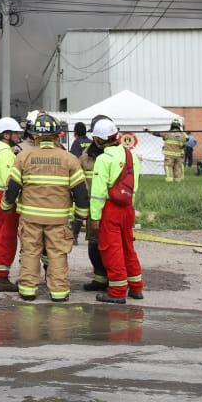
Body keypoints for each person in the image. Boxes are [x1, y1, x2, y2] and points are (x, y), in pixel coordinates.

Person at [2, 113, 89, 302]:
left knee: (30, 252)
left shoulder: (24, 157)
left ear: (35, 135)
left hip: (30, 218)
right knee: (57, 254)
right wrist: (81, 214)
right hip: (58, 220)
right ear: (57, 135)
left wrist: (6, 205)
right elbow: (81, 192)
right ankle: (58, 292)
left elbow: (12, 187)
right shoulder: (69, 159)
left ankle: (27, 290)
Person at [88, 119, 144, 304]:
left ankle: (118, 291)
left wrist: (95, 217)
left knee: (112, 250)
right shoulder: (130, 155)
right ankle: (136, 287)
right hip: (127, 207)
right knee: (128, 248)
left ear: (99, 139)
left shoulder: (103, 159)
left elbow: (98, 193)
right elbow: (134, 185)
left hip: (110, 209)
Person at [0, 117, 22, 292]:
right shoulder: (7, 153)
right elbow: (11, 179)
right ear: (6, 135)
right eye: (15, 133)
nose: (18, 136)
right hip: (4, 197)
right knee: (6, 238)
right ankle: (1, 278)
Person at [78, 114, 111, 291]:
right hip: (93, 208)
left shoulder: (116, 154)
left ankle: (115, 279)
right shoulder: (87, 155)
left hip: (112, 207)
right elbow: (77, 176)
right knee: (94, 244)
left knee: (112, 246)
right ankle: (100, 278)